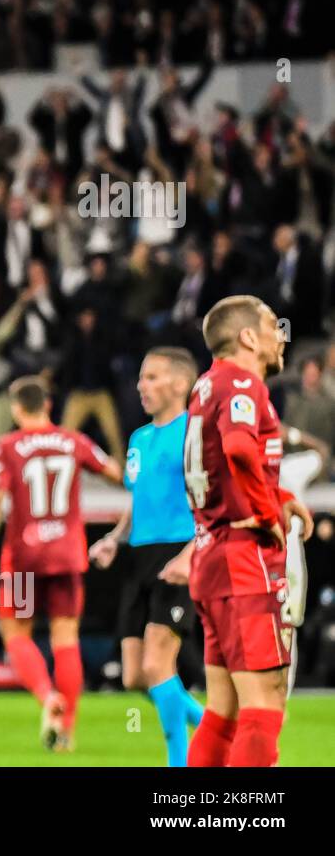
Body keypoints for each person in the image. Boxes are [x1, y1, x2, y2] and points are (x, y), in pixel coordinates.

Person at [166, 296, 314, 767]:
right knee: (265, 700)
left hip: (213, 557)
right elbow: (239, 449)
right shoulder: (242, 383)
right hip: (245, 561)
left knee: (223, 708)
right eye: (273, 325)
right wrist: (270, 512)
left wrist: (280, 497)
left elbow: (226, 461)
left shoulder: (206, 387)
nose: (280, 334)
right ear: (248, 337)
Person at [0, 376, 123, 752]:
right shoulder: (74, 441)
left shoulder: (8, 446)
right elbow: (117, 475)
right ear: (49, 406)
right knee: (66, 639)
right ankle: (67, 730)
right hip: (68, 552)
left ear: (16, 408)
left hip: (24, 555)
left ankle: (47, 696)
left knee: (16, 635)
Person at [89, 348, 205, 765]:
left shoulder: (195, 433)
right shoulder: (138, 439)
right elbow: (138, 501)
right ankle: (215, 729)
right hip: (140, 558)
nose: (141, 385)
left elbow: (213, 503)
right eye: (141, 377)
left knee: (159, 666)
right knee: (136, 674)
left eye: (152, 377)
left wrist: (192, 555)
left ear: (179, 383)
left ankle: (181, 763)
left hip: (179, 552)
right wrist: (113, 539)